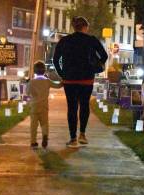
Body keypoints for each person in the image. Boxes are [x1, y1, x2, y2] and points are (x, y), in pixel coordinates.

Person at [53, 16, 108, 148]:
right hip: (86, 79)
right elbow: (104, 56)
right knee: (84, 105)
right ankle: (82, 134)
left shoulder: (65, 40)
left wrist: (62, 74)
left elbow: (56, 59)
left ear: (74, 27)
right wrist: (94, 67)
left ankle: (73, 138)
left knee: (72, 108)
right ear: (85, 27)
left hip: (69, 79)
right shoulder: (91, 40)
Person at [26, 61, 63, 150]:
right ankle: (45, 135)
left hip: (34, 106)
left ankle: (33, 142)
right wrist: (63, 81)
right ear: (44, 71)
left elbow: (27, 92)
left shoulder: (32, 82)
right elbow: (57, 86)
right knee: (44, 123)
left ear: (34, 71)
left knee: (33, 126)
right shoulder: (47, 81)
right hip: (44, 106)